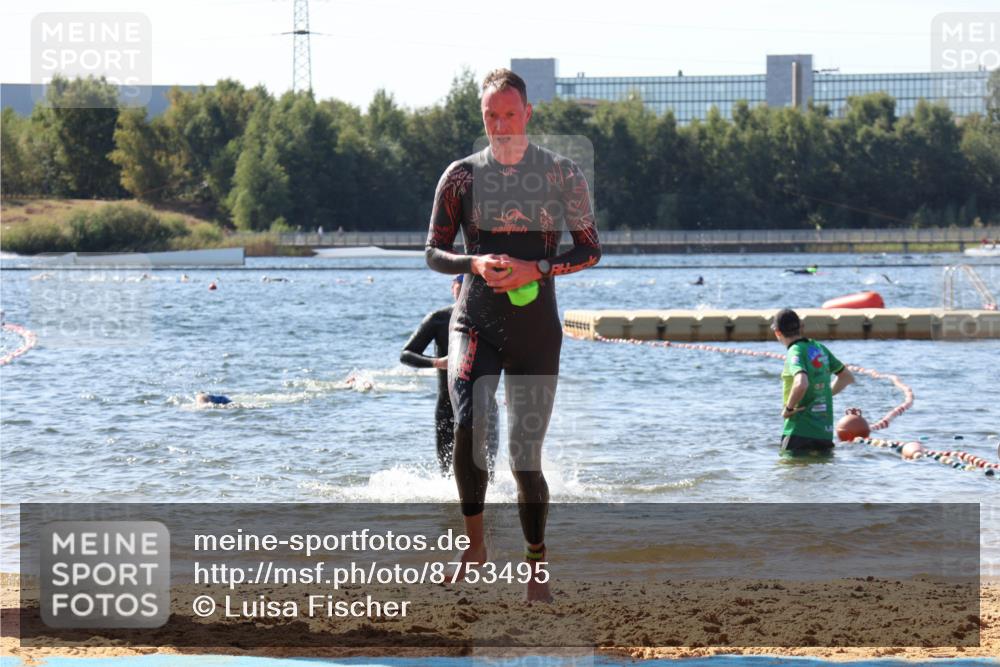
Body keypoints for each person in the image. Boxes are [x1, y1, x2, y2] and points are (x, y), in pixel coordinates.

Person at [425, 68, 602, 602]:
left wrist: (537, 269)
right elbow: (433, 252)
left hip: (535, 331)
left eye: (509, 114)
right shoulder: (461, 177)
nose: (500, 125)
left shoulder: (562, 174)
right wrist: (474, 263)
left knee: (525, 460)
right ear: (482, 117)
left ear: (528, 113)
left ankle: (536, 563)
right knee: (469, 422)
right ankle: (475, 545)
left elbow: (590, 249)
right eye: (491, 115)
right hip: (474, 321)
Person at [400, 275, 499, 476]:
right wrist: (438, 362)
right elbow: (406, 355)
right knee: (447, 473)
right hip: (448, 407)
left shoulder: (491, 319)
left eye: (471, 285)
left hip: (486, 406)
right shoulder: (438, 318)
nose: (465, 290)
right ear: (453, 287)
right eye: (461, 285)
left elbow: (512, 355)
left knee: (487, 473)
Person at [771, 309, 855, 455]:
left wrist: (788, 409)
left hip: (799, 431)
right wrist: (821, 394)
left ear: (778, 332)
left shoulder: (794, 351)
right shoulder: (819, 348)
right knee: (821, 469)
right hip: (824, 433)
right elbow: (847, 377)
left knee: (788, 468)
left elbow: (801, 383)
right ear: (800, 326)